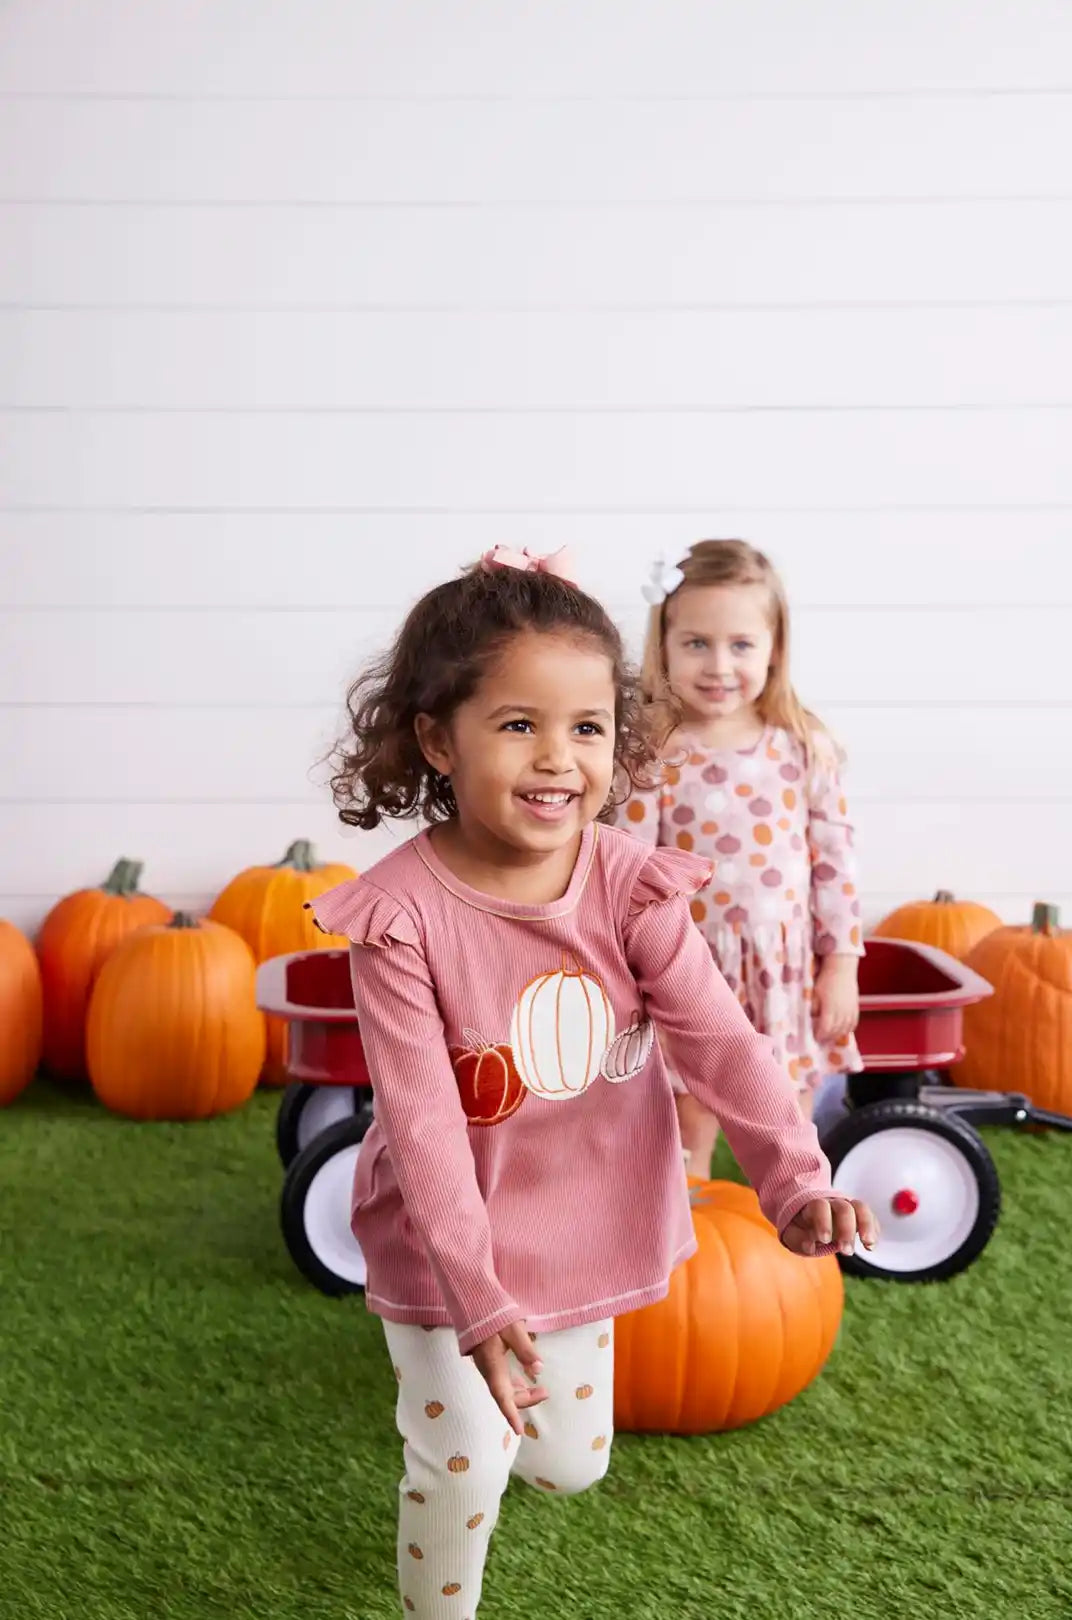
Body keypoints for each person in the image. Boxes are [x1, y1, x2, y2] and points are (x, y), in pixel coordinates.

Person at [307, 545, 877, 1620]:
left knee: (570, 1463)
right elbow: (423, 1120)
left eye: (586, 728)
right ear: (437, 738)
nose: (557, 759)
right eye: (517, 725)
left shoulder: (628, 884)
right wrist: (474, 1301)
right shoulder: (397, 919)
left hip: (584, 1215)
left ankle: (471, 1411)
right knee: (463, 1461)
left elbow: (719, 1038)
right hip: (448, 1244)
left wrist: (794, 1179)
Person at [611, 538, 865, 1176]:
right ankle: (690, 1240)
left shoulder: (802, 746)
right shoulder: (655, 753)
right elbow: (632, 869)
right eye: (696, 642)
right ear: (663, 646)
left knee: (787, 1116)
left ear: (774, 648)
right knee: (689, 1113)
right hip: (689, 970)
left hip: (781, 971)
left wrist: (841, 965)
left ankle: (792, 1233)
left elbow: (835, 865)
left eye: (741, 645)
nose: (718, 664)